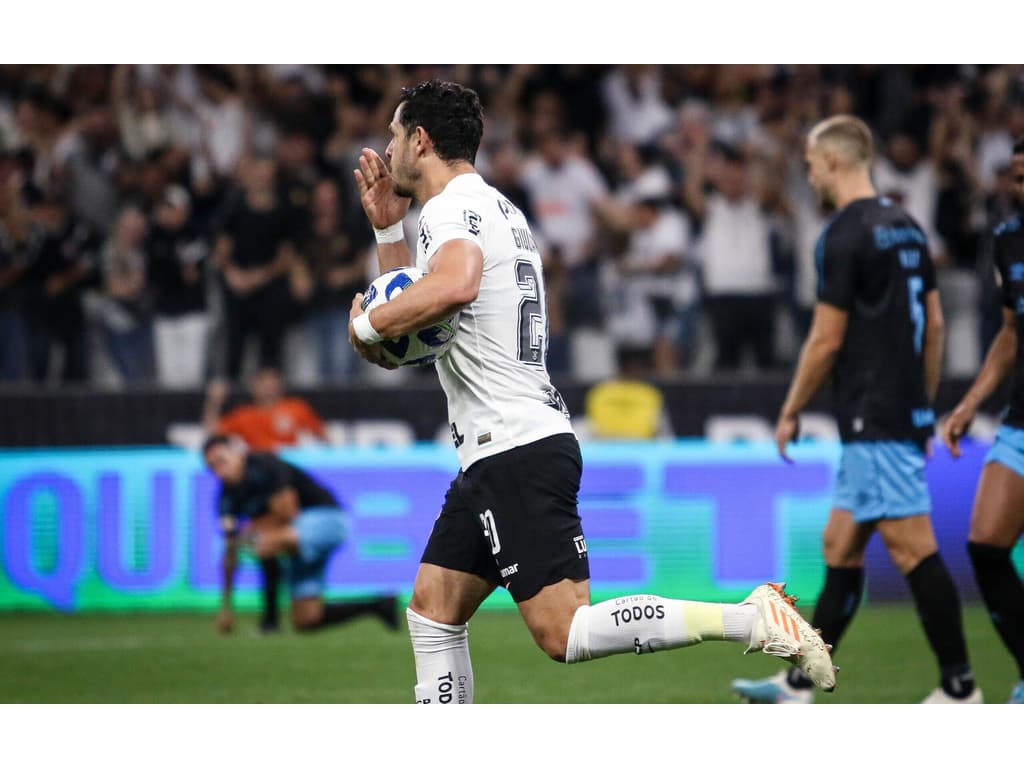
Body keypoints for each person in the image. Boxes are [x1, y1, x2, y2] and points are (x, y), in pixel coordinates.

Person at [346, 79, 835, 704]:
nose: (386, 150)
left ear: (421, 139)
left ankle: (752, 618)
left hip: (513, 448)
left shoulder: (450, 210)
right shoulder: (495, 208)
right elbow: (421, 333)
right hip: (500, 449)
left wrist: (366, 322)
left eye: (394, 133)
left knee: (565, 631)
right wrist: (389, 235)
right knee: (434, 610)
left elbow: (453, 287)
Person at [732, 114, 980, 704]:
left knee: (912, 548)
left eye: (813, 163)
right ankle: (798, 682)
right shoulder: (908, 227)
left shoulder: (842, 235)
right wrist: (921, 403)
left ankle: (961, 688)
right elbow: (936, 324)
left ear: (834, 163)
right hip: (896, 411)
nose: (810, 173)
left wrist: (791, 408)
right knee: (840, 545)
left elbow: (825, 340)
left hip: (873, 415)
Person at [941, 137, 1024, 705]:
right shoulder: (1007, 239)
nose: (1018, 186)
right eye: (1015, 176)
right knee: (986, 545)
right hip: (1020, 420)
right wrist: (971, 403)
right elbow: (1011, 333)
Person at [203, 434, 398, 635]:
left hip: (327, 520)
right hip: (294, 538)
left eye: (222, 461)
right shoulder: (225, 500)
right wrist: (226, 606)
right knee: (306, 618)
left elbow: (288, 511)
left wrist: (246, 531)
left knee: (260, 543)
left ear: (237, 452)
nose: (220, 471)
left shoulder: (265, 465)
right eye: (212, 467)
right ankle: (378, 605)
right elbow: (230, 550)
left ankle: (269, 622)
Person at [202, 365, 328, 631]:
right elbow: (213, 436)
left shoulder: (292, 415)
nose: (268, 387)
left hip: (298, 503)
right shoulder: (244, 419)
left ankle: (276, 615)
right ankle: (275, 617)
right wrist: (214, 402)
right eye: (262, 382)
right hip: (276, 509)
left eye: (272, 381)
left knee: (264, 543)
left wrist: (248, 533)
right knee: (260, 548)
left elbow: (323, 439)